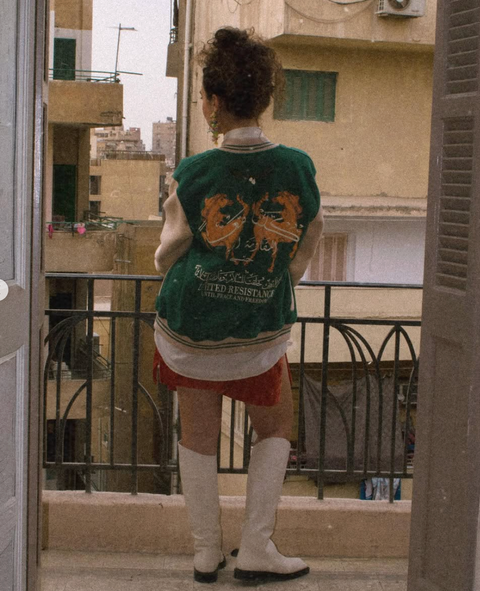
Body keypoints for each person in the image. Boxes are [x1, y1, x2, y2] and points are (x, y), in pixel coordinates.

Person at [153, 27, 324, 584]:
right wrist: (270, 278)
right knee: (275, 427)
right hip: (258, 329)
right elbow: (304, 244)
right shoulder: (298, 167)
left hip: (191, 328)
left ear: (213, 102)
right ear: (264, 98)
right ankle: (256, 548)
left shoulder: (193, 172)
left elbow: (169, 253)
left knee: (197, 435)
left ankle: (206, 555)